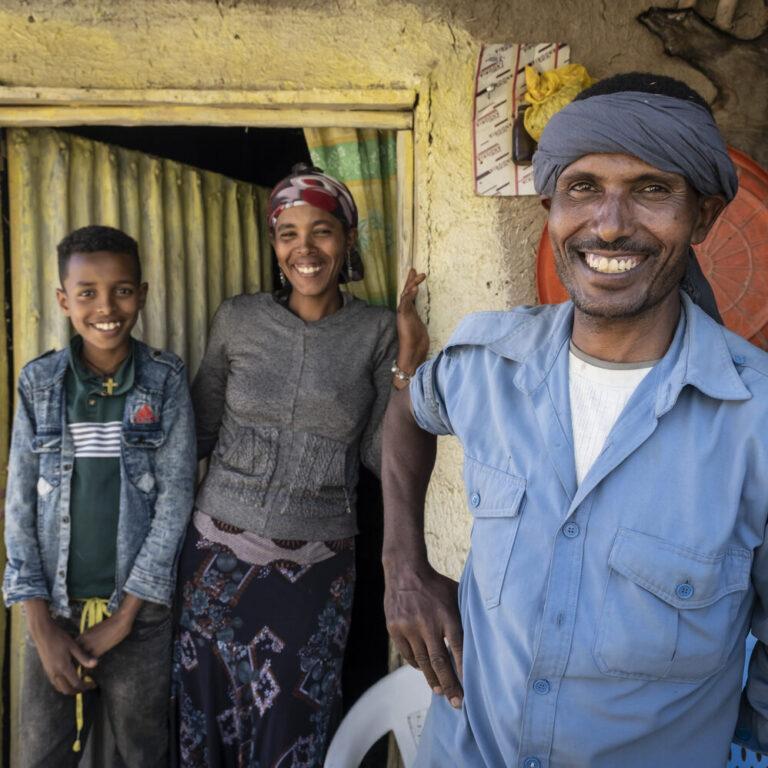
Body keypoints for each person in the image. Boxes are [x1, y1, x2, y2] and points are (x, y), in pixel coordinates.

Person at [381, 72, 768, 767]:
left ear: (703, 216)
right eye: (583, 186)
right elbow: (408, 409)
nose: (611, 222)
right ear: (551, 206)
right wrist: (403, 563)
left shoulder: (756, 422)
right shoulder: (485, 362)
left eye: (652, 189)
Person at [173, 164, 428, 767]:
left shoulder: (374, 331)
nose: (305, 249)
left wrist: (407, 367)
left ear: (347, 242)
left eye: (322, 231)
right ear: (273, 244)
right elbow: (197, 432)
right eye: (288, 233)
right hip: (213, 561)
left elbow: (377, 453)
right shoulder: (237, 319)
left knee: (294, 725)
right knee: (208, 714)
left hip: (313, 571)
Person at [3, 225, 196, 767]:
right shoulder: (39, 383)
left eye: (123, 290)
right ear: (64, 301)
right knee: (43, 753)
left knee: (143, 750)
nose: (106, 306)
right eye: (86, 292)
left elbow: (175, 500)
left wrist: (126, 615)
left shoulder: (164, 380)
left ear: (143, 293)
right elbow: (18, 504)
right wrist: (38, 624)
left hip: (137, 618)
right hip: (53, 614)